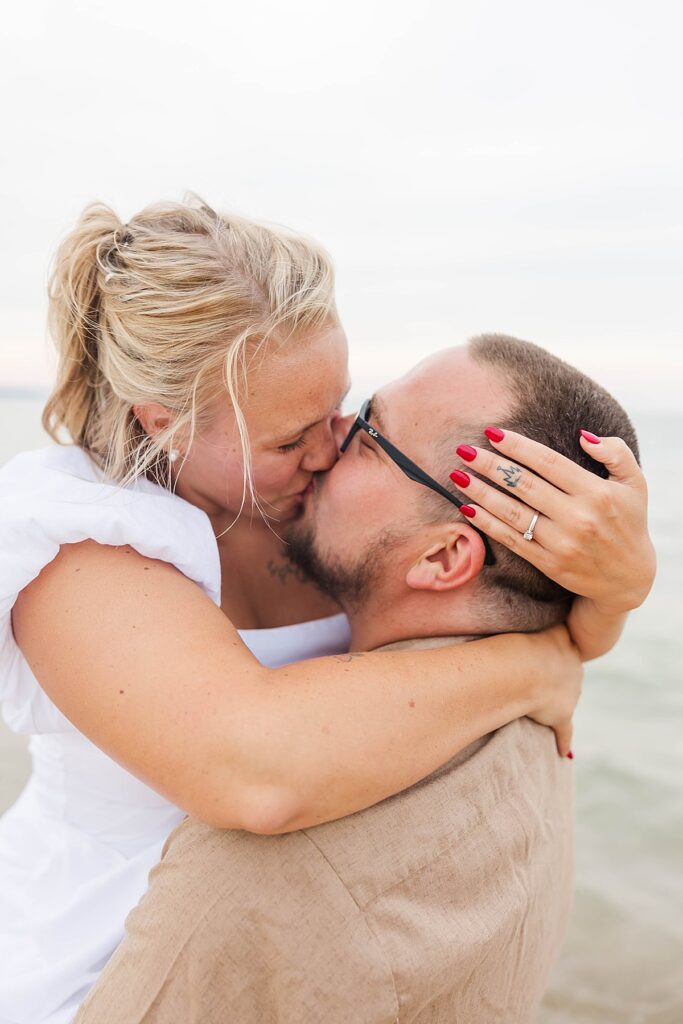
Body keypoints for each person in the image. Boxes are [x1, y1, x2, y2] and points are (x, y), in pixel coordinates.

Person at [0, 197, 653, 1023]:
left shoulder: (321, 514)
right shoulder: (84, 546)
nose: (329, 449)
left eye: (340, 408)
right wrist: (534, 666)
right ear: (164, 422)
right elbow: (254, 769)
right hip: (89, 959)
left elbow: (515, 606)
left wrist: (619, 583)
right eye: (287, 438)